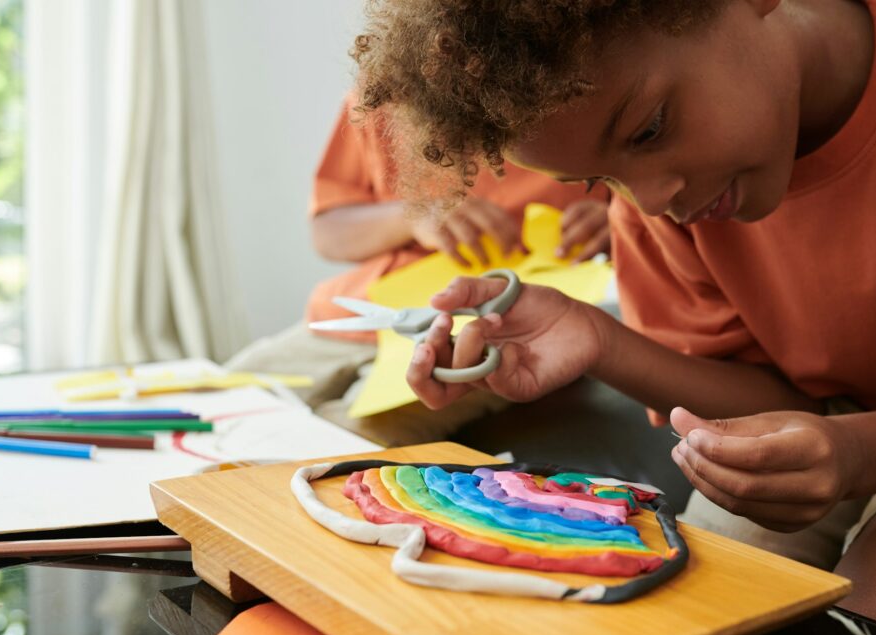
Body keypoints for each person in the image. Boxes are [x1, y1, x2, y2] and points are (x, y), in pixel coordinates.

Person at [349, 0, 876, 635]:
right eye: (601, 181)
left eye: (649, 128)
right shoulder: (670, 204)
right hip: (850, 426)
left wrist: (858, 453)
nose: (652, 199)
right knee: (700, 611)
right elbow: (782, 400)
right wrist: (599, 340)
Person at [226, 92, 610, 446]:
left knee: (342, 444)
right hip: (362, 312)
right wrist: (411, 216)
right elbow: (327, 232)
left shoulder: (581, 93)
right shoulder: (381, 92)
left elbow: (653, 205)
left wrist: (620, 224)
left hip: (489, 330)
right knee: (213, 405)